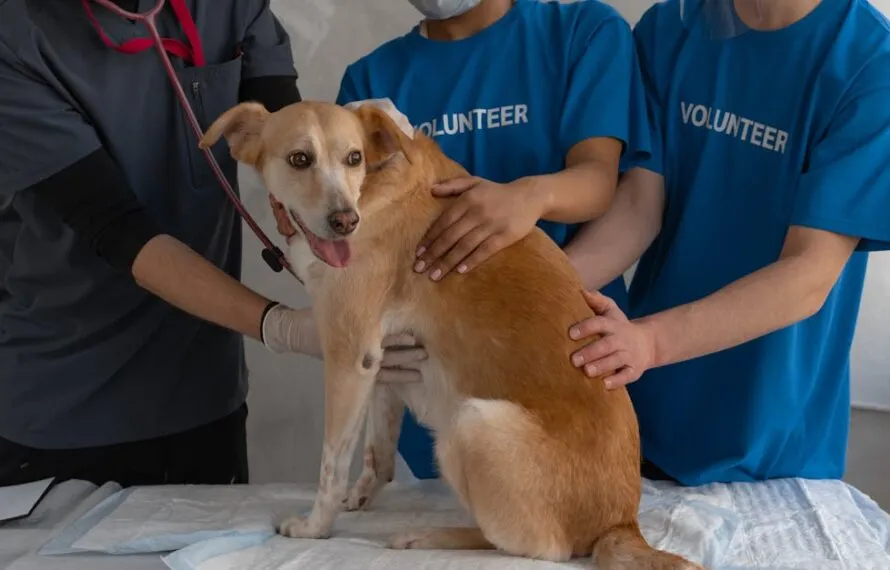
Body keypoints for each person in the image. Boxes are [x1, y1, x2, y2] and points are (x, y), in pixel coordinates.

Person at [0, 0, 423, 488]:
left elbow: (282, 121)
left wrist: (324, 170)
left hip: (203, 393)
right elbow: (116, 229)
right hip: (65, 405)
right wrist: (281, 326)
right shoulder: (17, 37)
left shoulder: (229, 5)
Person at [314, 0, 651, 479]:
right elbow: (356, 239)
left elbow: (599, 181)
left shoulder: (582, 32)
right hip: (438, 395)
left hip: (564, 361)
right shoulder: (371, 84)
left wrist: (533, 196)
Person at [564, 0, 890, 486]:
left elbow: (808, 274)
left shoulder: (869, 62)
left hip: (772, 444)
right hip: (645, 413)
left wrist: (651, 341)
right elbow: (637, 211)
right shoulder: (671, 26)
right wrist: (524, 296)